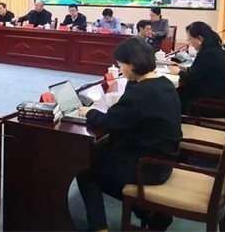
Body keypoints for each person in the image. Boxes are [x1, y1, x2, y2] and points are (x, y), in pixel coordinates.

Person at [76, 38, 181, 231]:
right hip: (165, 160)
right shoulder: (163, 83)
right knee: (105, 160)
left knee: (86, 173)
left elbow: (109, 122)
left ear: (132, 64)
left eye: (120, 65)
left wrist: (89, 112)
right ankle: (150, 213)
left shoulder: (140, 94)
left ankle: (99, 228)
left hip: (146, 167)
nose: (120, 69)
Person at [167, 22, 225, 116]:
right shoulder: (215, 49)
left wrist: (179, 72)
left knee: (169, 101)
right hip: (214, 99)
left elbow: (193, 80)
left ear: (200, 38)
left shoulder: (208, 54)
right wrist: (180, 67)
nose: (189, 42)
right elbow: (201, 72)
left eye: (190, 39)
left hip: (208, 105)